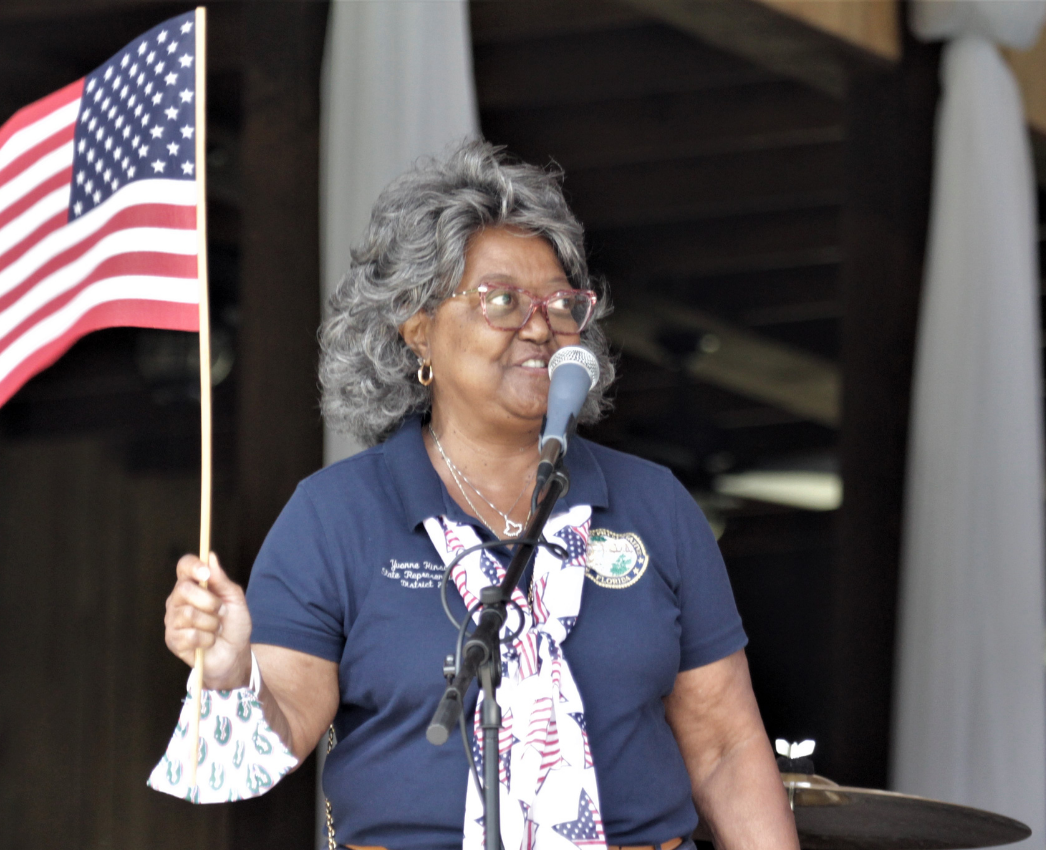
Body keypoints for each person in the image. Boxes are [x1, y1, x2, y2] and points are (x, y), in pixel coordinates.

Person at [154, 141, 799, 850]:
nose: (540, 326)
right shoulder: (336, 516)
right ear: (419, 331)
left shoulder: (655, 507)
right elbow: (266, 746)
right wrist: (229, 673)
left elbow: (727, 749)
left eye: (561, 304)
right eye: (502, 300)